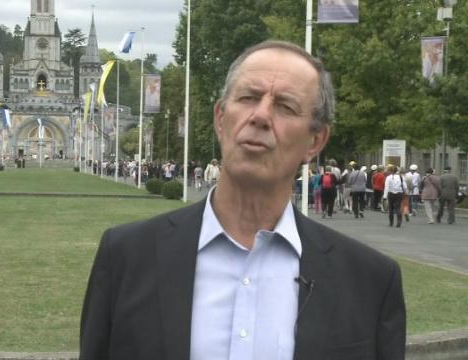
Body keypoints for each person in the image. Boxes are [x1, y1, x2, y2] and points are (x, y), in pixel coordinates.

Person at [80, 40, 405, 360]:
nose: (261, 116)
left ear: (315, 140)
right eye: (249, 97)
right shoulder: (127, 257)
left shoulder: (370, 282)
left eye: (285, 106)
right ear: (221, 119)